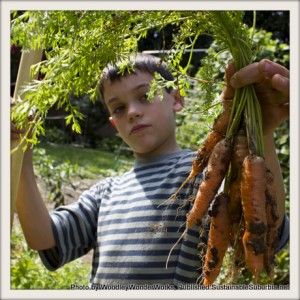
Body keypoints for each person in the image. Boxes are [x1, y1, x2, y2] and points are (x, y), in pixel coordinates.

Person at [12, 53, 290, 288]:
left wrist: (262, 133)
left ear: (177, 100)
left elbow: (265, 231)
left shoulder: (204, 172)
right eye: (119, 108)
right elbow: (43, 237)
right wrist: (18, 152)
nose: (132, 111)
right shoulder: (105, 193)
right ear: (113, 124)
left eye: (145, 96)